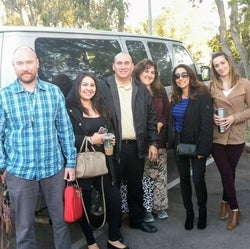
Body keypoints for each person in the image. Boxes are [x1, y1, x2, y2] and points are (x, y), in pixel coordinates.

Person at [0, 46, 76, 249]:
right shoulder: (4, 96)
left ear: (37, 63)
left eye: (29, 62)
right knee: (24, 228)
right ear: (14, 66)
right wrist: (3, 166)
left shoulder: (53, 92)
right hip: (20, 172)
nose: (25, 67)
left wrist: (70, 163)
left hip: (53, 169)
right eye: (20, 63)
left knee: (60, 222)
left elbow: (64, 129)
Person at [66, 72, 129, 249]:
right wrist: (89, 140)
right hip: (83, 165)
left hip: (106, 162)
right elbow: (64, 137)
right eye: (84, 85)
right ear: (77, 87)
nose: (88, 88)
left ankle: (113, 238)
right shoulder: (70, 110)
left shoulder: (102, 106)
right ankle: (91, 242)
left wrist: (113, 138)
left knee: (114, 201)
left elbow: (111, 128)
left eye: (92, 85)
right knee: (85, 206)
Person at [99, 52, 159, 234]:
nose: (123, 66)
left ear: (132, 66)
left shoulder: (141, 89)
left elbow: (151, 119)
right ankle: (114, 229)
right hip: (111, 148)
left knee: (135, 186)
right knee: (113, 189)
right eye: (119, 63)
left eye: (127, 63)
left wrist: (153, 142)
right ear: (113, 66)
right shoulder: (104, 87)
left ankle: (137, 220)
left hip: (136, 147)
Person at [168, 64, 213, 230]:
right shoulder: (175, 97)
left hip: (197, 145)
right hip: (179, 145)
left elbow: (207, 125)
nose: (180, 78)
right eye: (177, 76)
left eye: (183, 74)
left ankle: (202, 212)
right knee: (184, 180)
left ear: (190, 75)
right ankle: (189, 213)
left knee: (198, 180)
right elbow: (171, 122)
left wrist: (204, 150)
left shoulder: (202, 96)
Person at [210, 51, 250, 230]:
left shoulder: (244, 84)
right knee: (225, 172)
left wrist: (234, 118)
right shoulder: (212, 86)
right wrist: (212, 116)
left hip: (236, 136)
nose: (220, 67)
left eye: (222, 63)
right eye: (216, 65)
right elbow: (206, 108)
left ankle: (224, 201)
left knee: (230, 172)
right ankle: (235, 210)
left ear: (229, 62)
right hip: (217, 137)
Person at [132, 59, 170, 222]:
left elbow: (166, 111)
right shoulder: (133, 90)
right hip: (140, 143)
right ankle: (146, 210)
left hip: (159, 141)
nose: (149, 74)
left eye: (152, 72)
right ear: (139, 72)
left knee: (160, 176)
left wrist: (160, 123)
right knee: (144, 178)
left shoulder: (160, 91)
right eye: (146, 71)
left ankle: (159, 207)